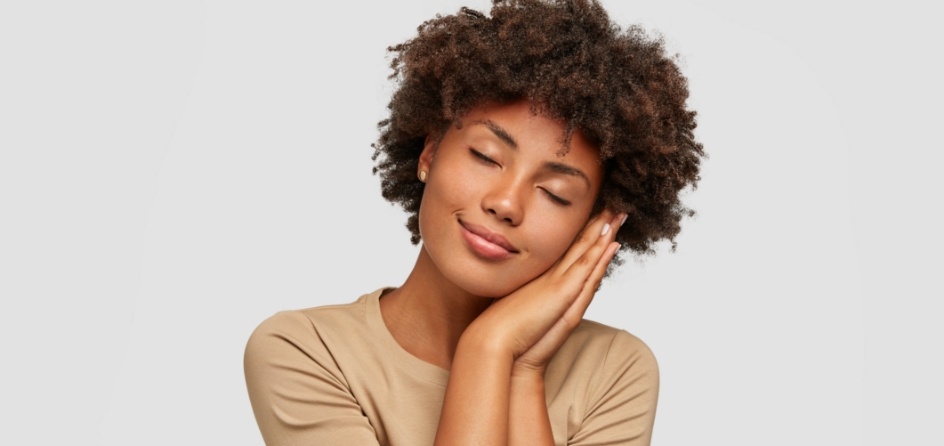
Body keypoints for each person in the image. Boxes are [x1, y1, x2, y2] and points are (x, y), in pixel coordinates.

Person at [244, 0, 703, 444]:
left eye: (555, 193)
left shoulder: (614, 370)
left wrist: (517, 367)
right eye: (486, 156)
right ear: (429, 152)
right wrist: (489, 350)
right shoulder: (306, 351)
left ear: (592, 225)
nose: (506, 203)